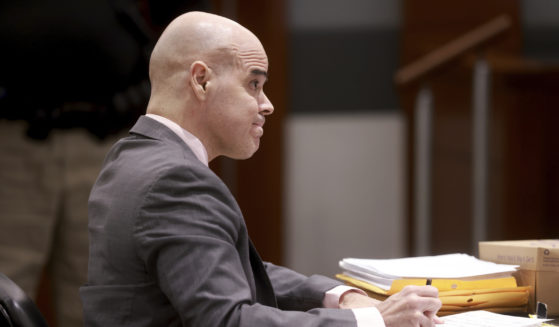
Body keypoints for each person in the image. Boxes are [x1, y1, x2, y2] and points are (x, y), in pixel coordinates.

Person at [80, 11, 442, 326]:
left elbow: (227, 270)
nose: (266, 105)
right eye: (253, 84)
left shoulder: (131, 155)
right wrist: (373, 320)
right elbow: (228, 320)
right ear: (201, 80)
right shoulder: (176, 181)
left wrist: (340, 295)